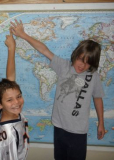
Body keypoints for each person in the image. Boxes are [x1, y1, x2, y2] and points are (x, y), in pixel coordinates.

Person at [10, 19, 105, 160]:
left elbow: (98, 98)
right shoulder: (64, 67)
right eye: (80, 59)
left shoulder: (93, 76)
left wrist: (101, 123)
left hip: (79, 132)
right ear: (75, 55)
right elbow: (44, 50)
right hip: (59, 127)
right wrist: (23, 35)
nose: (82, 65)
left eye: (87, 63)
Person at [0, 29, 29, 160]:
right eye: (10, 100)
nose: (17, 102)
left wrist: (12, 48)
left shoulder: (6, 111)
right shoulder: (9, 134)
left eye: (18, 96)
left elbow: (10, 78)